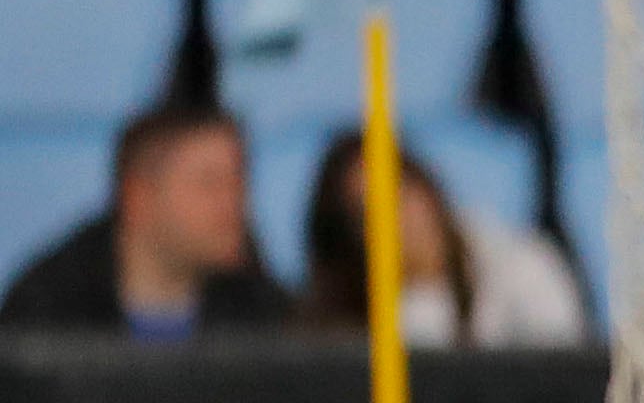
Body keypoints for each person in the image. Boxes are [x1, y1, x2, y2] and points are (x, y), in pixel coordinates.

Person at [0, 103, 286, 334]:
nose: (232, 203)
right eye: (209, 183)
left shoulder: (266, 312)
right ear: (139, 197)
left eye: (238, 182)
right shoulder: (44, 316)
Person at [295, 140, 592, 348]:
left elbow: (560, 375)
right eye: (369, 211)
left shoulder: (519, 264)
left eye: (399, 186)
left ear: (425, 185)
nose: (398, 217)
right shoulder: (356, 335)